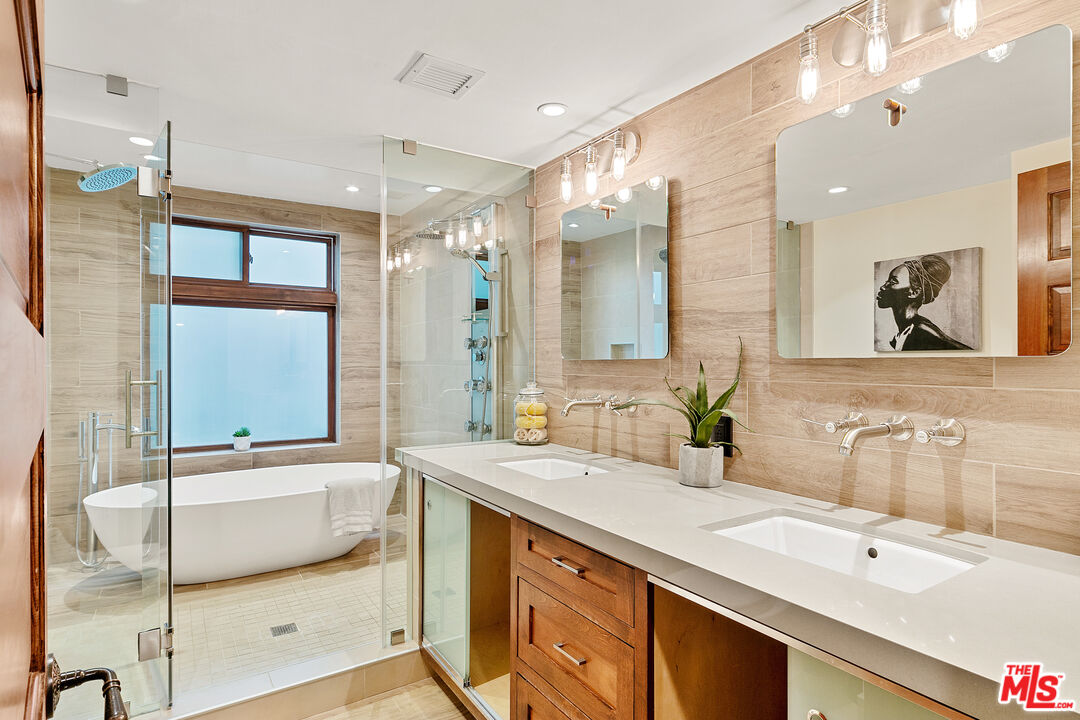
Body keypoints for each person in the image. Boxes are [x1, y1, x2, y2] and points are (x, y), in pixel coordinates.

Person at [876, 254, 972, 351]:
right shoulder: (905, 332)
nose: (883, 287)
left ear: (915, 292)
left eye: (893, 282)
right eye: (887, 281)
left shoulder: (922, 330)